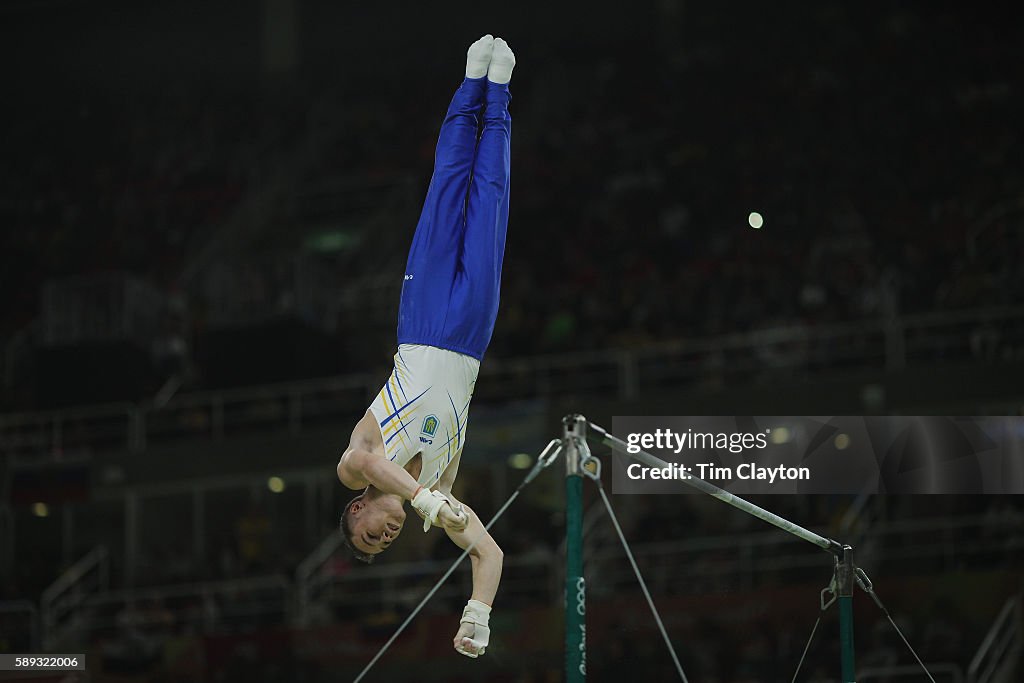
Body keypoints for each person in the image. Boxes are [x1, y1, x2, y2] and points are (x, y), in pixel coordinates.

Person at [335, 34, 515, 659]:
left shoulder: (356, 467)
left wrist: (426, 502)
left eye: (367, 535)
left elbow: (371, 461)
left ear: (358, 508)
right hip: (470, 338)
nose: (382, 537)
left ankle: (471, 86)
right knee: (490, 204)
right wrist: (477, 617)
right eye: (383, 545)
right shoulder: (441, 487)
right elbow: (489, 552)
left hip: (419, 324)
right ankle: (500, 99)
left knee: (447, 193)